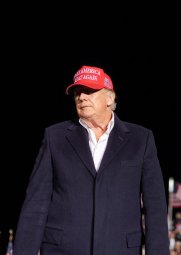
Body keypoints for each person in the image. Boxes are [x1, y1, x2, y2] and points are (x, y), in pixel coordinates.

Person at [13, 65, 170, 254]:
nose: (81, 97)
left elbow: (155, 208)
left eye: (89, 91)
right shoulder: (54, 137)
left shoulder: (141, 139)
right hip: (62, 250)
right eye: (77, 92)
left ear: (110, 98)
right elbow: (36, 204)